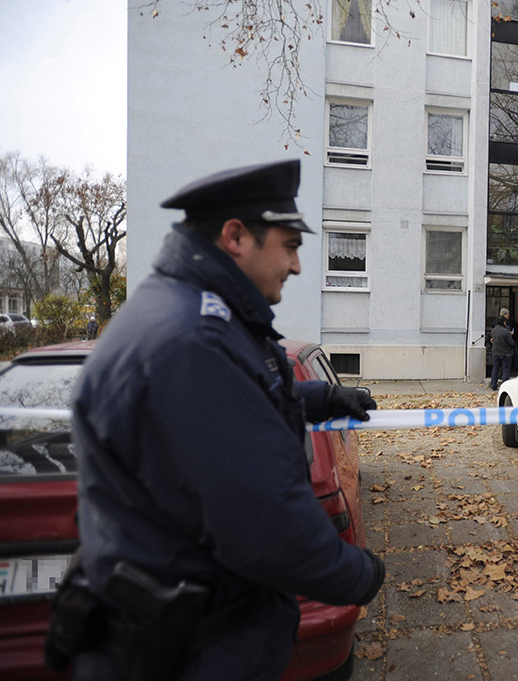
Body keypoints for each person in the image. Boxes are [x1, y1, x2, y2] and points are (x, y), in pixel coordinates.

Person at [52, 160, 384, 681]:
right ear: (235, 236)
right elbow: (267, 524)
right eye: (290, 245)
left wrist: (321, 400)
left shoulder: (189, 312)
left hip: (193, 636)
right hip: (191, 654)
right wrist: (361, 573)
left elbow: (230, 407)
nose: (296, 266)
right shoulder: (192, 340)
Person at [489, 308, 515, 390]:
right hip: (505, 353)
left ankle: (493, 384)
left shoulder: (494, 330)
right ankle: (505, 386)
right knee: (506, 369)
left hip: (496, 351)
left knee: (495, 368)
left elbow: (492, 338)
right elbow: (511, 343)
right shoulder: (505, 331)